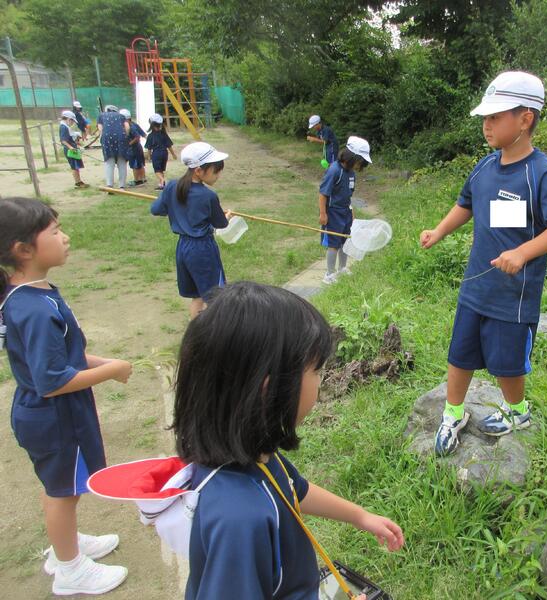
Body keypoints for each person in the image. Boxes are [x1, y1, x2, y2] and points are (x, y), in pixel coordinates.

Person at [171, 282, 404, 599]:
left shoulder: (252, 455)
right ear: (269, 389)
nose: (320, 380)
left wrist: (360, 516)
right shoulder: (239, 521)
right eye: (317, 371)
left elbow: (295, 490)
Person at [420, 71, 547, 456]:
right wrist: (439, 231)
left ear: (525, 119)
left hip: (514, 295)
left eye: (495, 116)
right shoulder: (485, 167)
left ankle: (517, 411)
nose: (486, 124)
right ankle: (453, 413)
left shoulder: (541, 173)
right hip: (476, 287)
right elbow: (466, 204)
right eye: (485, 117)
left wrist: (523, 253)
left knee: (507, 364)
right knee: (460, 353)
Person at [0, 198, 132, 595]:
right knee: (62, 492)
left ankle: (67, 544)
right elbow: (52, 380)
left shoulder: (31, 294)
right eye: (56, 232)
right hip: (55, 416)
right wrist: (111, 371)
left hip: (51, 413)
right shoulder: (36, 310)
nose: (66, 237)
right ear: (24, 250)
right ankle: (69, 567)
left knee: (63, 488)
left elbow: (61, 357)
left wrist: (103, 361)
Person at [150, 142, 230, 319]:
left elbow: (156, 209)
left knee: (197, 295)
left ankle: (195, 329)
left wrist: (169, 203)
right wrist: (227, 216)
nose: (218, 175)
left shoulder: (172, 186)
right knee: (216, 297)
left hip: (183, 249)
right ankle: (217, 331)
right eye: (216, 171)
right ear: (199, 171)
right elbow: (221, 223)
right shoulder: (208, 196)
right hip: (203, 249)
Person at [319, 136, 371, 284]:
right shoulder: (334, 171)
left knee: (345, 240)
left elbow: (348, 195)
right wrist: (323, 214)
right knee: (334, 243)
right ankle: (329, 274)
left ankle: (342, 268)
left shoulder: (351, 173)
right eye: (360, 162)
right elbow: (323, 194)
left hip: (345, 211)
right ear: (351, 157)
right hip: (333, 213)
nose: (360, 166)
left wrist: (351, 211)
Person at [96, 105, 130, 191]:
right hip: (121, 138)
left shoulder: (101, 115)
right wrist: (125, 136)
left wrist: (102, 137)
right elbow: (127, 127)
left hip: (107, 138)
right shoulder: (121, 116)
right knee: (122, 162)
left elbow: (100, 129)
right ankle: (122, 186)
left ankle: (110, 186)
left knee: (109, 162)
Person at [145, 114, 177, 190]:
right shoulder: (164, 134)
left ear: (151, 125)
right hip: (165, 153)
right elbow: (169, 145)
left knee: (157, 170)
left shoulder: (150, 136)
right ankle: (162, 185)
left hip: (156, 154)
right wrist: (173, 154)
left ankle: (162, 180)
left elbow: (149, 148)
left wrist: (149, 156)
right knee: (161, 170)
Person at [59, 111, 88, 189]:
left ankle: (79, 181)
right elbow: (63, 140)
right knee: (74, 166)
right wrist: (70, 147)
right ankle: (78, 183)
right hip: (70, 150)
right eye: (72, 121)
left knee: (76, 166)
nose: (73, 123)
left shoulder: (66, 126)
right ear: (69, 119)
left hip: (73, 149)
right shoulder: (63, 127)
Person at [120, 109, 147, 186]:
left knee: (134, 165)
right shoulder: (135, 124)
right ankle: (143, 178)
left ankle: (137, 180)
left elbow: (137, 137)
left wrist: (129, 144)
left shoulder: (130, 127)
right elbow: (144, 135)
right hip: (138, 147)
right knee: (140, 163)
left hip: (133, 149)